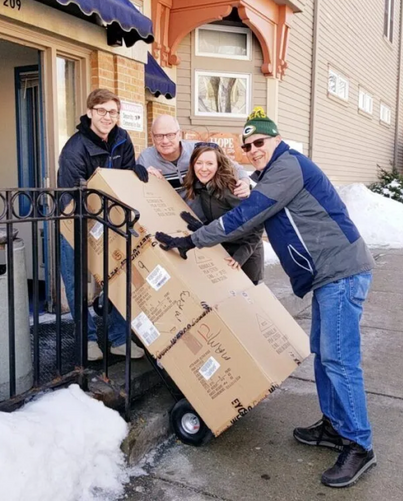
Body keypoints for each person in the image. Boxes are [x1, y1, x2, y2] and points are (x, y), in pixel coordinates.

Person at [155, 107, 376, 488]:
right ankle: (336, 427)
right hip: (328, 275)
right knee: (324, 355)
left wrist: (191, 241)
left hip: (341, 271)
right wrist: (209, 222)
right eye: (248, 145)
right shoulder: (273, 173)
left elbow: (251, 216)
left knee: (339, 359)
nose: (254, 149)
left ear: (276, 139)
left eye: (260, 142)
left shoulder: (288, 166)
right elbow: (252, 207)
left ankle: (359, 444)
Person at [58, 88, 149, 362]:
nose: (107, 117)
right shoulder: (75, 148)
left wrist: (136, 174)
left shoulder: (122, 139)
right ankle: (87, 340)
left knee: (117, 276)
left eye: (112, 112)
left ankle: (119, 338)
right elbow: (74, 193)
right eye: (101, 111)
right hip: (74, 218)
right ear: (89, 113)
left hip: (111, 219)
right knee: (75, 280)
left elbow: (126, 177)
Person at [136, 115, 251, 219]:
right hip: (168, 220)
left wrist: (245, 182)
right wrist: (148, 181)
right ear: (152, 136)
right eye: (159, 136)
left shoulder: (198, 150)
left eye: (170, 135)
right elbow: (138, 193)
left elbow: (235, 167)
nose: (165, 141)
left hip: (203, 220)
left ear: (179, 134)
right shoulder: (145, 159)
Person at [180, 142, 264, 285]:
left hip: (245, 255)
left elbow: (257, 225)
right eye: (199, 163)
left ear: (218, 165)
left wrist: (240, 256)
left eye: (209, 163)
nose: (203, 168)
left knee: (247, 302)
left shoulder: (231, 188)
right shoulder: (200, 186)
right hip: (223, 251)